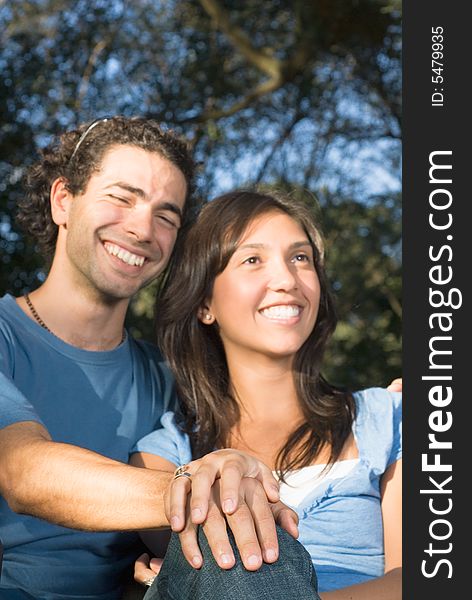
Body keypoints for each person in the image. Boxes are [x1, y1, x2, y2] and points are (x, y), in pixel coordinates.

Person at [0, 118, 296, 599]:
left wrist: (373, 407)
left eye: (166, 216)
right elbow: (24, 472)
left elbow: (265, 400)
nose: (142, 229)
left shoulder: (168, 373)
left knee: (253, 555)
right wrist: (190, 488)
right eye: (121, 197)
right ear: (63, 201)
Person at [130, 190, 402, 599]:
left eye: (300, 258)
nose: (287, 280)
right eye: (253, 260)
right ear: (205, 303)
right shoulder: (165, 452)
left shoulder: (389, 417)